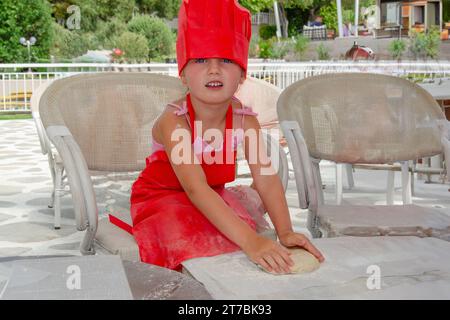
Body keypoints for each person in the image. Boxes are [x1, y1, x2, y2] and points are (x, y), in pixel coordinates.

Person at [120, 0, 324, 274]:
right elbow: (196, 188)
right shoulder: (176, 122)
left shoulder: (245, 120)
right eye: (201, 59)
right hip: (164, 199)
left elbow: (265, 176)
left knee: (232, 242)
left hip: (213, 196)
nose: (214, 69)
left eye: (226, 60)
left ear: (241, 75)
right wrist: (252, 242)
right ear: (183, 74)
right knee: (193, 241)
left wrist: (285, 231)